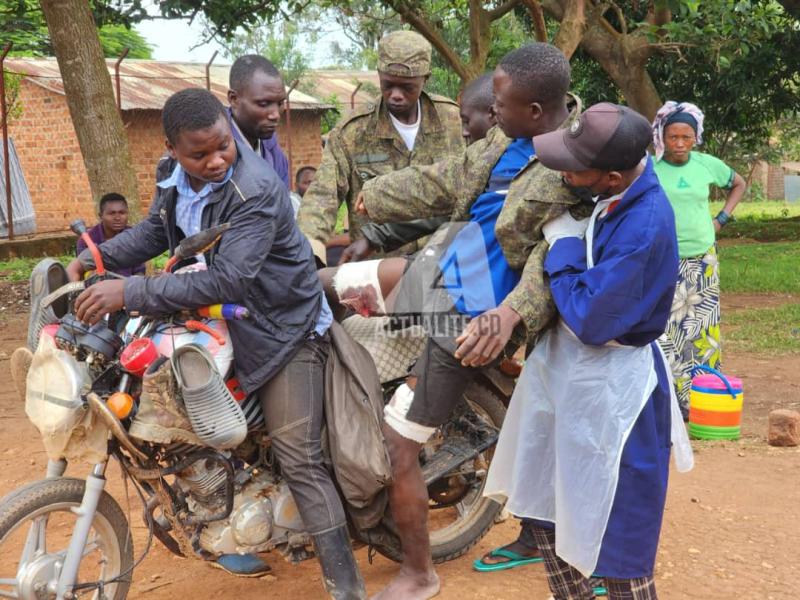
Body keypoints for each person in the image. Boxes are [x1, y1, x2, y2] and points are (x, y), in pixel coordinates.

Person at [65, 88, 366, 599]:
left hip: (282, 327)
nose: (215, 160)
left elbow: (228, 279)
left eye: (222, 146)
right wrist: (96, 257)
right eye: (198, 154)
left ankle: (347, 588)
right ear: (173, 149)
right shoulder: (173, 176)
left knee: (299, 457)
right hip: (225, 320)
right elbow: (157, 233)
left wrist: (131, 288)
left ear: (230, 129)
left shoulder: (255, 191)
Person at [355, 43, 586, 599]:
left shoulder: (576, 162)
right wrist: (371, 195)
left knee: (398, 442)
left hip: (474, 314)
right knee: (335, 294)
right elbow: (446, 178)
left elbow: (550, 262)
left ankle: (419, 572)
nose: (489, 111)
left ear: (535, 110)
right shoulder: (507, 140)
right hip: (444, 274)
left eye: (499, 103)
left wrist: (508, 317)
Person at [484, 103, 693, 600]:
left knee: (619, 546)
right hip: (574, 380)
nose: (563, 172)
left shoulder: (644, 227)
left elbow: (591, 319)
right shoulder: (612, 196)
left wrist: (563, 252)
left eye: (575, 166)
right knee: (553, 518)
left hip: (617, 394)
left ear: (613, 176)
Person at [320, 73, 498, 312]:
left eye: (467, 122)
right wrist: (376, 236)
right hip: (456, 279)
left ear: (495, 114)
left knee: (332, 284)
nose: (463, 133)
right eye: (388, 84)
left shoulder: (508, 168)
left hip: (474, 291)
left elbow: (433, 185)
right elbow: (447, 212)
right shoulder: (352, 130)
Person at [297, 30, 464, 266]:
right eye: (388, 85)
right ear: (379, 75)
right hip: (376, 273)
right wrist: (309, 253)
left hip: (446, 267)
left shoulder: (454, 121)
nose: (395, 95)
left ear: (424, 79)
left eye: (407, 87)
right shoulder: (353, 133)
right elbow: (322, 197)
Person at [652, 101, 747, 416]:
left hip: (704, 257)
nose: (679, 144)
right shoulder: (651, 168)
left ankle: (702, 400)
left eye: (686, 137)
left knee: (702, 330)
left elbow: (738, 183)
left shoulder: (706, 164)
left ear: (696, 137)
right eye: (673, 137)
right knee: (668, 329)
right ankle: (669, 403)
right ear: (662, 137)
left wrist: (721, 219)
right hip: (665, 258)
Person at [227, 54, 290, 189]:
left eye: (280, 103)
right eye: (263, 103)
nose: (275, 115)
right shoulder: (212, 150)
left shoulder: (272, 148)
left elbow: (283, 200)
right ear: (234, 99)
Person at [76, 193, 145, 277]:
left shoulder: (133, 236)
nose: (117, 218)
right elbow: (82, 272)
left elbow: (139, 271)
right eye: (112, 213)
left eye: (122, 213)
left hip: (127, 286)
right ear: (101, 216)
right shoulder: (87, 240)